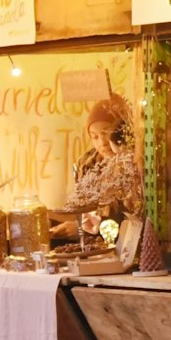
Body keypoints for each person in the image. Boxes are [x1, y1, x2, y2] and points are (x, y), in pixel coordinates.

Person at [54, 95, 143, 238]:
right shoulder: (87, 165)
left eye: (106, 133)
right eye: (94, 137)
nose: (102, 142)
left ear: (122, 131)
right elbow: (85, 214)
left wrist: (83, 231)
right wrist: (80, 227)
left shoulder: (133, 165)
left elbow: (131, 219)